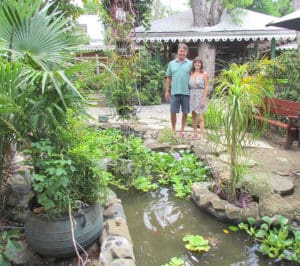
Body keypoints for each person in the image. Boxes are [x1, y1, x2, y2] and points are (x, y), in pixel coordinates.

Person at [165, 43, 192, 137]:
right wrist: (167, 91)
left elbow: (195, 75)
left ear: (186, 53)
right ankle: (173, 129)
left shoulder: (190, 64)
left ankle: (182, 129)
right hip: (174, 92)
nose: (182, 53)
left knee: (185, 112)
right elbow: (168, 78)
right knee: (173, 111)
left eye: (184, 51)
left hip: (186, 92)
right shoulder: (171, 64)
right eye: (180, 51)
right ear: (178, 51)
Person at [189, 57, 209, 139]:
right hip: (192, 95)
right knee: (193, 115)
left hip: (200, 95)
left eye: (199, 63)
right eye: (195, 62)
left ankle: (202, 135)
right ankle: (195, 133)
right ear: (193, 64)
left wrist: (203, 99)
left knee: (200, 116)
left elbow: (207, 86)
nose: (197, 64)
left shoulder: (204, 73)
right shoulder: (191, 73)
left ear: (201, 64)